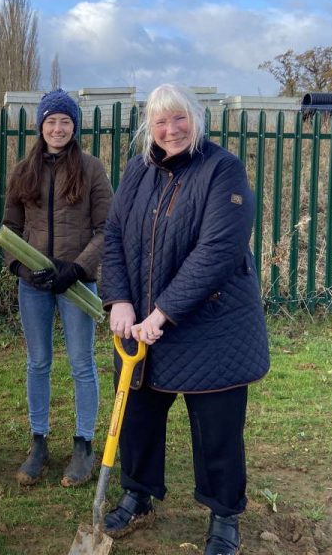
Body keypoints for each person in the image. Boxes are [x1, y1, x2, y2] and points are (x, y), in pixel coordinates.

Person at [101, 83, 270, 555]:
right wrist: (120, 301)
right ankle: (137, 495)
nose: (171, 130)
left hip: (210, 328)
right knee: (137, 416)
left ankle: (223, 516)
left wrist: (164, 311)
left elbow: (217, 250)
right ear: (148, 128)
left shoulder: (222, 169)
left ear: (197, 120)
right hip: (141, 327)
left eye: (180, 119)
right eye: (160, 122)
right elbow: (113, 235)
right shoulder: (137, 171)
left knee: (216, 428)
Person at [2, 89, 113, 487]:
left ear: (74, 126)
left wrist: (78, 268)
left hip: (77, 285)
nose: (58, 128)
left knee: (82, 364)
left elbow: (106, 230)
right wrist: (21, 268)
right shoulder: (22, 172)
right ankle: (39, 442)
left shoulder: (92, 169)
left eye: (65, 121)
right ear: (40, 126)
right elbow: (9, 230)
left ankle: (83, 445)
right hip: (34, 285)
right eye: (51, 121)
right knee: (38, 363)